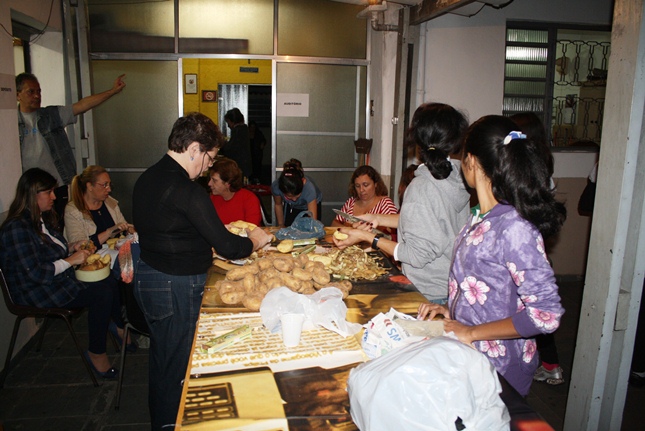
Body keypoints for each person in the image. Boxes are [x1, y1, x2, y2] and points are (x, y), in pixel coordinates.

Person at [132, 112, 272, 430]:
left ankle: (165, 419)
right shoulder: (186, 189)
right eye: (209, 158)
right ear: (194, 148)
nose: (209, 167)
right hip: (175, 285)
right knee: (176, 364)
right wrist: (256, 239)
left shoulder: (149, 177)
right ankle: (170, 423)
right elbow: (229, 246)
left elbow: (167, 228)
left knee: (164, 357)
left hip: (150, 276)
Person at [417, 115, 567, 397]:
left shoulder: (514, 227)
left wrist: (470, 332)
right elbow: (492, 289)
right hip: (472, 357)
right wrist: (452, 310)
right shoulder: (481, 216)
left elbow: (546, 315)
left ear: (471, 161)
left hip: (500, 368)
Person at [333, 103, 470, 304]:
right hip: (451, 287)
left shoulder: (421, 187)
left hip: (427, 293)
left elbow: (416, 255)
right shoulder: (456, 178)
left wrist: (367, 237)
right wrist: (377, 218)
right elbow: (431, 221)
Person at [0, 168, 129, 379]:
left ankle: (118, 327)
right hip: (35, 290)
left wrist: (72, 247)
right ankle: (97, 352)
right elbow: (36, 273)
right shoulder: (17, 228)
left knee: (107, 280)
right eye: (49, 192)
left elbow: (51, 252)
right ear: (33, 194)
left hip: (54, 281)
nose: (54, 197)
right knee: (102, 293)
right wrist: (71, 260)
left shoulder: (39, 220)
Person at [16, 73, 126, 222]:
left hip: (59, 186)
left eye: (39, 91)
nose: (37, 96)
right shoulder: (10, 122)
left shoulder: (50, 115)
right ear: (18, 95)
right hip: (32, 190)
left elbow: (82, 106)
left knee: (63, 224)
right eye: (31, 92)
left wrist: (112, 91)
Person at [511, 112, 564, 386]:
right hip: (534, 249)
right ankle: (549, 364)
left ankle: (547, 365)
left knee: (536, 312)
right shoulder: (543, 168)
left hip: (525, 253)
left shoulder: (525, 174)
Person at [64, 165, 134, 250]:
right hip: (92, 257)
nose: (109, 189)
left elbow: (123, 226)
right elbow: (81, 246)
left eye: (109, 184)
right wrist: (108, 232)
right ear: (89, 186)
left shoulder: (110, 203)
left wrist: (129, 230)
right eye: (104, 185)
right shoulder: (73, 210)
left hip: (115, 253)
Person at [331, 165, 398, 239]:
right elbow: (334, 224)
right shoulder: (351, 202)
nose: (361, 190)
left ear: (375, 184)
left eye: (366, 185)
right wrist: (351, 228)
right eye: (357, 186)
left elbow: (393, 232)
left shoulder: (385, 203)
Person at [208, 157, 262, 226]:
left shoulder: (249, 199)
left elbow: (252, 229)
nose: (209, 183)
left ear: (228, 183)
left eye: (214, 180)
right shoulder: (212, 199)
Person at [271, 159, 323, 227]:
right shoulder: (276, 186)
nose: (294, 199)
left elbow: (312, 222)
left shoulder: (309, 189)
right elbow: (278, 204)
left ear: (303, 182)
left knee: (310, 227)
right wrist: (281, 225)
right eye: (289, 197)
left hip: (309, 204)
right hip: (291, 206)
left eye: (297, 196)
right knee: (289, 227)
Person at [220, 108, 252, 179]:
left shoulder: (238, 131)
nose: (228, 125)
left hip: (239, 166)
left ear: (233, 121)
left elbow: (231, 149)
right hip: (244, 166)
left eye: (228, 122)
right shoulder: (244, 129)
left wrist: (223, 143)